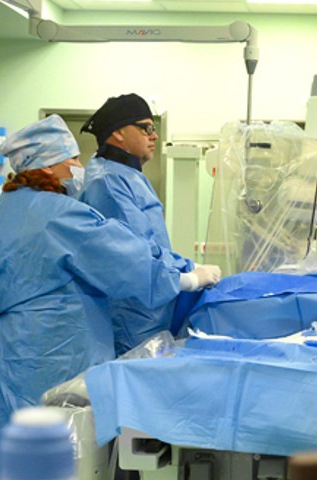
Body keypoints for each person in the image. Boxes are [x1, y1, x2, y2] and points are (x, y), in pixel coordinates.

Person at [0, 115, 207, 480]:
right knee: (70, 448)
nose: (80, 167)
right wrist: (185, 278)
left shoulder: (5, 212)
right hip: (59, 350)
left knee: (18, 447)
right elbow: (121, 257)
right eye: (73, 159)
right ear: (49, 165)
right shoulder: (57, 215)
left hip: (15, 356)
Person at [79, 94, 220, 354]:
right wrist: (188, 278)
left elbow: (153, 244)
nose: (154, 136)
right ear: (118, 133)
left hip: (150, 309)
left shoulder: (128, 175)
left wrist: (187, 266)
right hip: (134, 316)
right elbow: (134, 255)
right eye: (146, 128)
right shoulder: (108, 183)